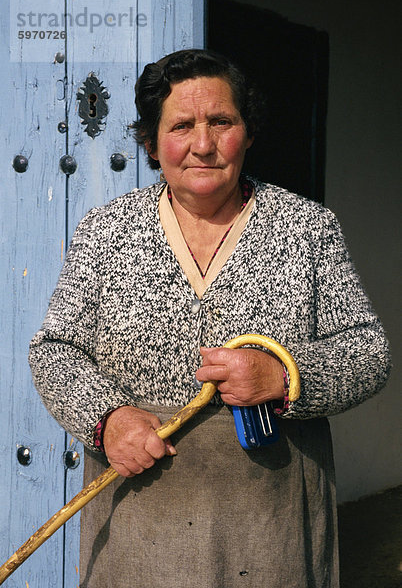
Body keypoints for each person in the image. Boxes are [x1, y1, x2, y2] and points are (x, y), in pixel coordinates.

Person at [29, 49, 391, 588]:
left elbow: (368, 352)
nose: (203, 144)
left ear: (247, 132)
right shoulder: (107, 232)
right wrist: (109, 421)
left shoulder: (305, 228)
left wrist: (285, 376)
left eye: (221, 121)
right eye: (181, 126)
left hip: (272, 521)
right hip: (142, 517)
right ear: (152, 142)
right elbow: (55, 350)